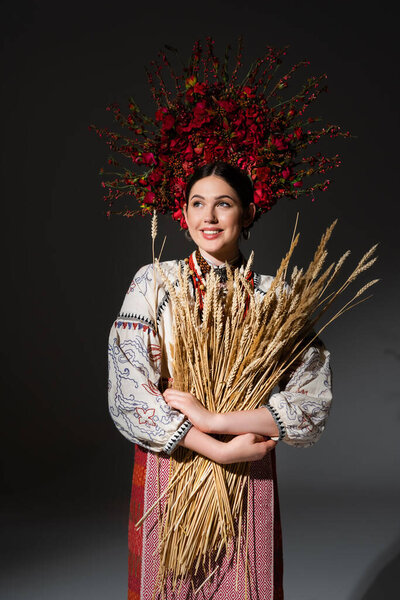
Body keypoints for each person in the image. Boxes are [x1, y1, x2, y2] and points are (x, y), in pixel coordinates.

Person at [108, 162, 332, 600]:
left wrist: (216, 419)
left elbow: (310, 405)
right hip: (174, 463)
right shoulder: (154, 281)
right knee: (168, 585)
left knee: (247, 586)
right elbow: (129, 390)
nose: (208, 217)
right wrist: (214, 446)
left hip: (249, 466)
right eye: (198, 204)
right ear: (184, 214)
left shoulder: (277, 296)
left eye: (223, 204)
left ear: (247, 214)